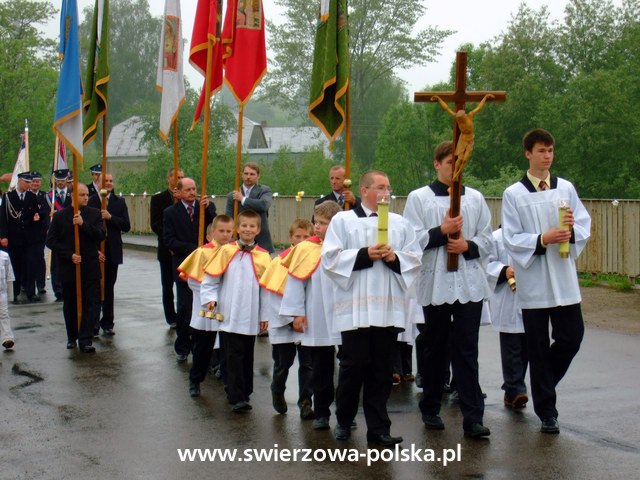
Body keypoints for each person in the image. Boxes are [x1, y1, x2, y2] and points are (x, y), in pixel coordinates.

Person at [322, 170, 422, 447]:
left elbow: (415, 258)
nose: (386, 192)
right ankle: (344, 419)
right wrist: (365, 254)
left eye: (389, 187)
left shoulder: (400, 223)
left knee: (381, 370)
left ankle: (378, 429)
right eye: (380, 187)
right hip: (355, 308)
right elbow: (329, 259)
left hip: (387, 308)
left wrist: (393, 257)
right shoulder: (343, 221)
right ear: (365, 190)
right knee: (353, 366)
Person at [501, 128, 591, 434]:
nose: (547, 156)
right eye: (541, 150)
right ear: (528, 153)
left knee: (572, 336)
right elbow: (511, 238)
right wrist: (543, 238)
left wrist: (571, 233)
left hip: (563, 278)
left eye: (550, 150)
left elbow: (583, 221)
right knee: (537, 347)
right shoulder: (514, 194)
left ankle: (542, 385)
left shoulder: (565, 188)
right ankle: (547, 413)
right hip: (535, 282)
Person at [403, 140, 493, 438]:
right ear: (437, 164)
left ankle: (472, 417)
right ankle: (430, 406)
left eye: (460, 163)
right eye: (450, 162)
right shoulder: (419, 198)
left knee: (467, 348)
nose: (455, 168)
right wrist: (441, 233)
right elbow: (410, 240)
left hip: (467, 280)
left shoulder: (476, 198)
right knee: (435, 346)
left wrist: (468, 245)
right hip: (436, 279)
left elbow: (489, 238)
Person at [201, 210, 271, 412]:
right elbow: (210, 280)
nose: (247, 229)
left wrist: (264, 315)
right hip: (228, 313)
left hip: (249, 315)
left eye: (252, 226)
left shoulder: (263, 257)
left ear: (258, 229)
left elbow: (265, 290)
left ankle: (244, 391)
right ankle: (235, 395)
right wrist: (210, 300)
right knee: (231, 354)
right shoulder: (225, 252)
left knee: (247, 354)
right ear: (237, 228)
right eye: (244, 226)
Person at [281, 202, 342, 430]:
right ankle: (322, 412)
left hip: (343, 314)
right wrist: (297, 313)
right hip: (317, 314)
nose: (317, 227)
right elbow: (296, 283)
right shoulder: (305, 249)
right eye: (316, 222)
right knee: (320, 366)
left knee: (348, 366)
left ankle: (346, 412)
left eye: (323, 224)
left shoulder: (346, 246)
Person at [259, 218, 314, 418]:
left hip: (307, 323)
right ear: (290, 238)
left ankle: (306, 401)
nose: (301, 240)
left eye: (305, 237)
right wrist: (290, 318)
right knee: (284, 363)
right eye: (297, 236)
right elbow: (271, 295)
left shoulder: (315, 258)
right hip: (284, 322)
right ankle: (277, 388)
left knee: (308, 364)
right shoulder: (279, 262)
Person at [177, 215, 234, 398]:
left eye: (228, 231)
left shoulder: (234, 252)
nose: (225, 235)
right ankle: (195, 380)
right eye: (221, 231)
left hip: (228, 308)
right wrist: (212, 297)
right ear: (212, 233)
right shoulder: (203, 253)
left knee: (227, 350)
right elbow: (193, 282)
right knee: (203, 348)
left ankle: (229, 383)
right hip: (206, 309)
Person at [45, 183, 105, 352]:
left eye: (87, 194)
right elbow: (51, 241)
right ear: (73, 195)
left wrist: (83, 224)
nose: (86, 197)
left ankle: (85, 339)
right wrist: (69, 254)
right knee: (70, 303)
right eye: (82, 195)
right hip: (70, 267)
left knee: (90, 304)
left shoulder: (93, 214)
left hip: (90, 267)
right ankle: (72, 336)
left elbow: (101, 234)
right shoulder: (60, 216)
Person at [163, 177, 216, 362]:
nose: (192, 193)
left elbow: (215, 229)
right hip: (184, 266)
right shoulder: (171, 213)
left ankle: (200, 346)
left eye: (194, 189)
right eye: (188, 190)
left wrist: (208, 208)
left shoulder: (205, 207)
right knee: (185, 307)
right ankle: (182, 346)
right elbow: (168, 240)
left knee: (204, 306)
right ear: (178, 192)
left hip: (205, 267)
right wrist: (194, 249)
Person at [486, 226, 529, 409]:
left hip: (528, 298)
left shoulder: (529, 236)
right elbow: (486, 264)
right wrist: (504, 271)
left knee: (526, 348)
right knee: (512, 347)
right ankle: (515, 389)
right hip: (507, 299)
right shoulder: (496, 238)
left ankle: (514, 387)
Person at [88, 173, 131, 336]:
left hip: (112, 251)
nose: (109, 183)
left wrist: (110, 217)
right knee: (94, 288)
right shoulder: (91, 201)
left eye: (111, 181)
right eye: (105, 181)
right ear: (97, 183)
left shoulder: (119, 202)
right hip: (95, 251)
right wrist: (94, 250)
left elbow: (126, 225)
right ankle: (93, 323)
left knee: (108, 287)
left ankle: (107, 322)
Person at [431, 94, 494, 181]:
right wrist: (438, 99)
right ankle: (455, 173)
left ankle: (457, 173)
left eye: (462, 118)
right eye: (460, 119)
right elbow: (447, 108)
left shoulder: (470, 116)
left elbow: (479, 107)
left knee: (464, 160)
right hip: (463, 139)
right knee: (460, 159)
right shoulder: (457, 118)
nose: (461, 120)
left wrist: (485, 98)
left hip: (470, 139)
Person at [150, 168, 184, 328]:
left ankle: (184, 314)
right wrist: (169, 241)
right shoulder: (158, 199)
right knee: (167, 285)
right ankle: (171, 317)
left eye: (182, 177)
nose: (180, 180)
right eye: (177, 177)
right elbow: (156, 224)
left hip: (182, 249)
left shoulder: (186, 197)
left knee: (183, 284)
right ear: (169, 178)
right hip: (166, 249)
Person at [0, 172, 39, 304]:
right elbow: (3, 218)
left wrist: (37, 219)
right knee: (15, 265)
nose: (29, 185)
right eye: (26, 182)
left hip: (28, 237)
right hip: (14, 237)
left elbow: (35, 215)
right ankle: (15, 294)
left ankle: (30, 293)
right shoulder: (8, 197)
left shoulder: (32, 197)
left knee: (30, 265)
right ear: (19, 181)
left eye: (29, 182)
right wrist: (3, 236)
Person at [225, 162, 274, 253]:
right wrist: (230, 236)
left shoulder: (264, 190)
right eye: (246, 173)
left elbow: (264, 205)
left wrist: (243, 199)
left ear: (258, 176)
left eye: (252, 174)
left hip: (261, 242)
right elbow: (229, 218)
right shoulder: (232, 195)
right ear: (242, 175)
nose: (248, 176)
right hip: (238, 242)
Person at [47, 169, 73, 302]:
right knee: (56, 264)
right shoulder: (50, 196)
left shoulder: (72, 195)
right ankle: (58, 290)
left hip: (69, 232)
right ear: (55, 181)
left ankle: (67, 287)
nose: (61, 183)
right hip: (56, 233)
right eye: (58, 180)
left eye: (63, 180)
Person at [28, 171, 50, 297]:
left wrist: (48, 228)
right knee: (29, 259)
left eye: (38, 181)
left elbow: (46, 213)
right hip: (28, 233)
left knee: (40, 259)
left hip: (40, 233)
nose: (35, 184)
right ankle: (28, 284)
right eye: (33, 181)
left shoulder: (44, 196)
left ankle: (40, 285)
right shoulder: (26, 195)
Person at [0, 249, 15, 350]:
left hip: (2, 292)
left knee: (4, 314)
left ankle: (7, 338)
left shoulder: (4, 256)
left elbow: (9, 277)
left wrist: (10, 296)